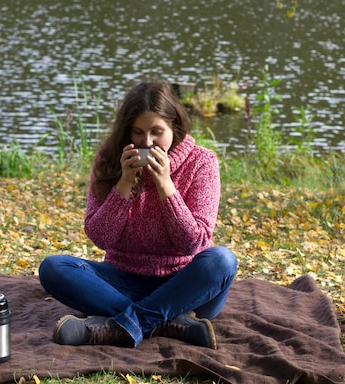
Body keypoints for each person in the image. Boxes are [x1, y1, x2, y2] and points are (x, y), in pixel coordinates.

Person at [38, 80, 237, 349]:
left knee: (222, 260)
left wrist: (166, 186)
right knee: (53, 267)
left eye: (157, 132)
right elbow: (100, 237)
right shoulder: (109, 159)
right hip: (120, 281)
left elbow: (194, 242)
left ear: (174, 128)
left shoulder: (201, 162)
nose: (147, 142)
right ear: (127, 131)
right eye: (138, 132)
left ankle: (120, 325)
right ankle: (169, 321)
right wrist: (123, 185)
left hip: (184, 285)